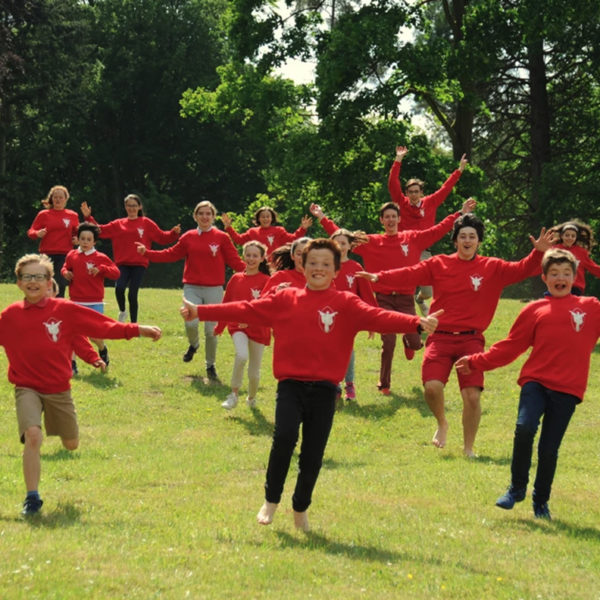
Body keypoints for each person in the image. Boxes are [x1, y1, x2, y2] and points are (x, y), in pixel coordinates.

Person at [180, 238, 443, 531]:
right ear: (302, 267)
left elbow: (379, 317)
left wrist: (416, 323)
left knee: (313, 452)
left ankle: (300, 508)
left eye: (326, 264)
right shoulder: (285, 299)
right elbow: (243, 309)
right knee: (284, 438)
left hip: (326, 390)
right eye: (313, 263)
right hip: (291, 385)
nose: (318, 268)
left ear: (335, 271)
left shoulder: (346, 302)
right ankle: (271, 500)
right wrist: (199, 312)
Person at [358, 214, 556, 456]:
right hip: (440, 337)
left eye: (472, 236)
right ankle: (442, 423)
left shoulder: (492, 267)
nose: (467, 240)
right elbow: (410, 273)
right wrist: (380, 277)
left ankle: (468, 448)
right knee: (431, 387)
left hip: (471, 339)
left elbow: (522, 269)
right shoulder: (439, 263)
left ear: (479, 241)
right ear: (455, 241)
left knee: (471, 396)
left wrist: (538, 253)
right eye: (462, 236)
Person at [0, 253, 162, 516]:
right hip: (26, 387)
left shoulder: (64, 310)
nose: (33, 282)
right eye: (27, 277)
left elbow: (103, 326)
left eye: (39, 277)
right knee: (33, 435)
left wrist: (138, 329)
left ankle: (66, 437)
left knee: (71, 443)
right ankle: (32, 498)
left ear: (50, 281)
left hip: (58, 389)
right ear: (18, 283)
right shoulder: (10, 316)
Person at [456, 249, 600, 519]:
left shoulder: (591, 308)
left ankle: (540, 501)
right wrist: (476, 361)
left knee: (548, 449)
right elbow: (510, 347)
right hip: (535, 382)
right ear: (544, 278)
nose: (561, 278)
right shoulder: (534, 310)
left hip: (568, 389)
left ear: (575, 277)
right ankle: (516, 488)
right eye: (554, 273)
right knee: (524, 428)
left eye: (566, 274)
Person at [311, 198, 476, 396]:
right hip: (384, 298)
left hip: (406, 298)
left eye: (393, 216)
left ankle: (410, 343)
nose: (390, 220)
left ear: (399, 219)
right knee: (388, 343)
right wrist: (321, 217)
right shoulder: (371, 242)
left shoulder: (412, 238)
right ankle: (384, 384)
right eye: (386, 217)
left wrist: (459, 213)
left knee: (416, 341)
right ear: (381, 220)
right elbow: (341, 237)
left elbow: (437, 230)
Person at [136, 200, 245, 382]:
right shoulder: (188, 237)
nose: (204, 217)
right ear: (195, 216)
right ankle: (193, 345)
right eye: (201, 213)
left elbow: (235, 261)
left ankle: (210, 366)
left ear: (213, 217)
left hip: (214, 289)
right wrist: (147, 253)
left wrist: (253, 271)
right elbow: (170, 253)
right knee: (190, 323)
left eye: (208, 214)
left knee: (212, 331)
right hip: (192, 287)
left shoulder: (222, 238)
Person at [388, 146, 469, 315]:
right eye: (410, 192)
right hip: (404, 250)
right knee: (403, 288)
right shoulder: (401, 203)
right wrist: (398, 160)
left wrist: (459, 170)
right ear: (406, 193)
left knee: (427, 292)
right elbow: (392, 183)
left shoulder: (430, 202)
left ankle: (420, 299)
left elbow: (446, 188)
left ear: (421, 192)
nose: (413, 195)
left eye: (416, 192)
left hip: (423, 251)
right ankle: (405, 319)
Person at [81, 194, 180, 323]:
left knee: (133, 294)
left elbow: (162, 237)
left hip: (139, 263)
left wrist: (173, 233)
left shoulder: (146, 223)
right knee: (119, 288)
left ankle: (133, 323)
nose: (131, 208)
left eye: (134, 205)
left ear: (139, 206)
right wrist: (88, 217)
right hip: (122, 263)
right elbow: (100, 231)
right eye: (129, 205)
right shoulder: (118, 224)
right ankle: (122, 311)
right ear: (125, 207)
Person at [214, 241, 271, 410]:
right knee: (241, 356)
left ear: (262, 258)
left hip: (259, 329)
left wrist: (252, 321)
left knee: (254, 374)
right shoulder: (236, 278)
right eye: (248, 255)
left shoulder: (267, 280)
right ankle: (233, 394)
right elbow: (226, 303)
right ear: (243, 256)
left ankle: (251, 398)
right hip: (237, 326)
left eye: (255, 255)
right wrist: (220, 326)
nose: (251, 258)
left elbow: (268, 308)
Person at [61, 222, 120, 369]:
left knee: (94, 336)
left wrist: (101, 269)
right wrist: (65, 273)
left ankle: (102, 349)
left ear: (94, 241)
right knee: (73, 335)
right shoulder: (72, 255)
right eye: (83, 239)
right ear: (78, 239)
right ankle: (72, 365)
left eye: (89, 239)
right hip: (75, 301)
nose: (85, 242)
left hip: (94, 303)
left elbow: (116, 273)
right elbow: (65, 267)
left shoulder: (101, 257)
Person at [329, 227, 377, 403]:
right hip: (327, 314)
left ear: (350, 246)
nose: (340, 246)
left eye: (343, 243)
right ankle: (334, 384)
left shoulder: (356, 267)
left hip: (348, 316)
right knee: (330, 349)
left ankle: (349, 383)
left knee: (347, 349)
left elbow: (366, 294)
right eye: (336, 242)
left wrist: (371, 322)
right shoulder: (326, 264)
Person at [27, 185, 79, 298]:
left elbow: (77, 233)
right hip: (46, 254)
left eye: (61, 197)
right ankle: (43, 306)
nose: (58, 200)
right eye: (55, 197)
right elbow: (31, 231)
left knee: (60, 283)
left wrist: (77, 240)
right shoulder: (44, 214)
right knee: (45, 282)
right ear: (51, 199)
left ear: (66, 199)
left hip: (65, 253)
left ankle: (59, 307)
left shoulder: (72, 215)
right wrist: (37, 233)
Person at [48, 278, 108, 375]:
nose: (44, 293)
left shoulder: (62, 312)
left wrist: (93, 358)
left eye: (48, 289)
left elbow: (78, 338)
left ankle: (72, 364)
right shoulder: (26, 311)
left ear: (56, 292)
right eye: (40, 288)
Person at [221, 206, 312, 257]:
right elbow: (238, 240)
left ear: (272, 218)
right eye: (263, 216)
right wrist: (229, 228)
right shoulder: (252, 232)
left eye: (268, 216)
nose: (265, 219)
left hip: (276, 265)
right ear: (258, 219)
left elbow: (293, 239)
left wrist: (302, 228)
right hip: (258, 265)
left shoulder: (279, 230)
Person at [549, 219, 600, 295]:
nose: (570, 238)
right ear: (561, 236)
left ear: (576, 238)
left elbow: (592, 267)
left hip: (575, 287)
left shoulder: (581, 252)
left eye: (573, 236)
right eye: (567, 235)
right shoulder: (554, 250)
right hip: (558, 285)